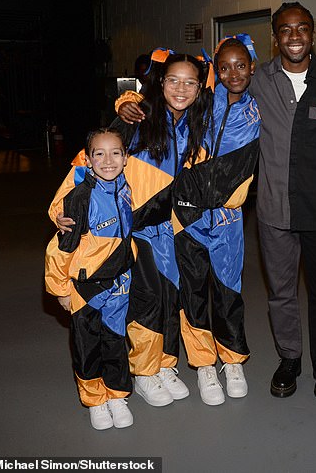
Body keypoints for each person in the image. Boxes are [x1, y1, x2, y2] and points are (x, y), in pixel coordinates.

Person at [53, 51, 209, 407]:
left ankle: (164, 365)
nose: (181, 88)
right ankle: (144, 372)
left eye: (190, 82)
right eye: (173, 80)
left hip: (165, 228)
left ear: (200, 88)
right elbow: (86, 163)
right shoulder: (137, 116)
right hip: (129, 232)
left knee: (169, 297)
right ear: (159, 82)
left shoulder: (193, 122)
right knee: (144, 302)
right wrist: (59, 209)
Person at [249, 2, 316, 401]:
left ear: (313, 34)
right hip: (273, 211)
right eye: (285, 30)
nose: (294, 37)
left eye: (302, 28)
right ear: (275, 38)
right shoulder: (257, 81)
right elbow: (200, 98)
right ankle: (290, 358)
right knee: (281, 292)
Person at [172, 35, 260, 405]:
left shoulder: (262, 107)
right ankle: (204, 363)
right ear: (215, 70)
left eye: (241, 65)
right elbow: (162, 103)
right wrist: (127, 100)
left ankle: (232, 357)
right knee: (191, 291)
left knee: (228, 290)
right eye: (224, 67)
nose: (233, 73)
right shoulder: (201, 102)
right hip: (187, 214)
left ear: (252, 66)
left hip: (228, 217)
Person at [45, 128, 136, 430]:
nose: (108, 160)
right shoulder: (80, 198)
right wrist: (60, 288)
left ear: (126, 158)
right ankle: (95, 399)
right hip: (86, 289)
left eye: (115, 153)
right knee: (87, 346)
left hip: (119, 284)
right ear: (87, 159)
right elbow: (60, 247)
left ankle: (117, 394)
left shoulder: (126, 188)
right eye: (99, 153)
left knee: (115, 341)